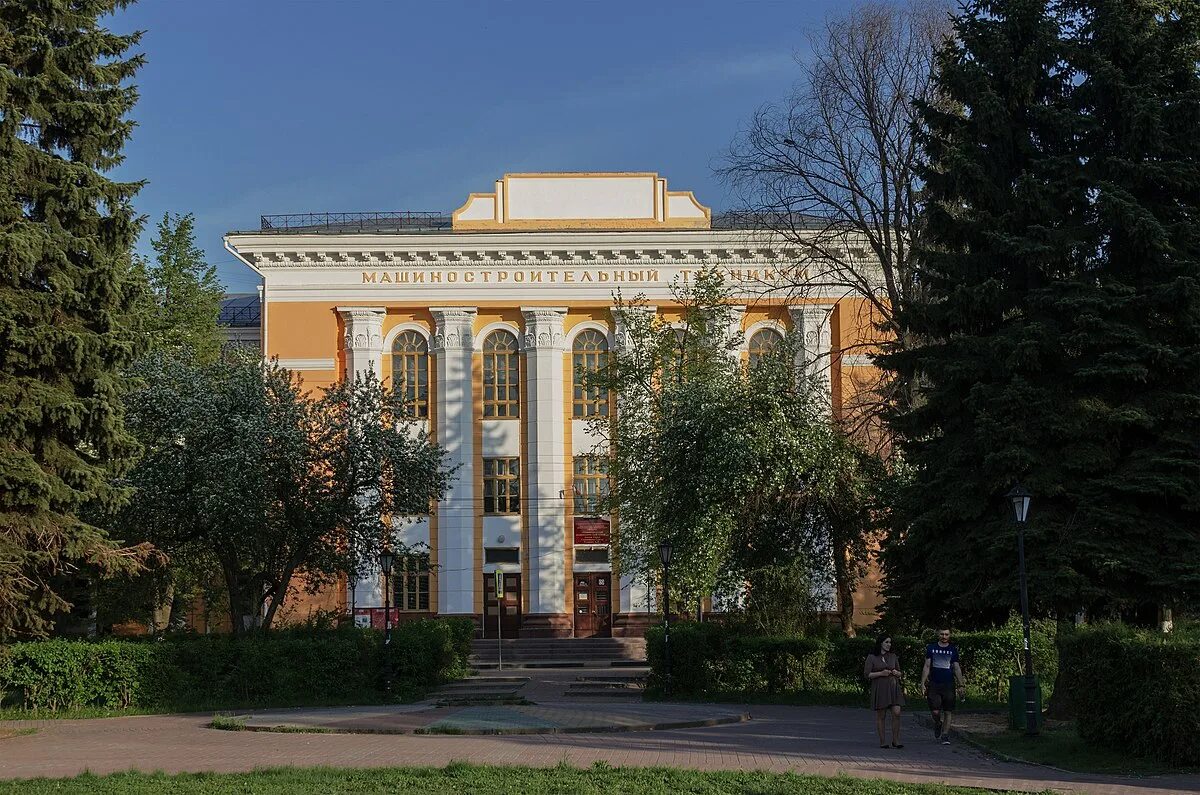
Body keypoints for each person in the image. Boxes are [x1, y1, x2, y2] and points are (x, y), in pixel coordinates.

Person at [920, 627, 965, 744]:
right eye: (942, 634)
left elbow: (956, 667)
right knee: (935, 711)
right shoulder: (931, 648)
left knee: (948, 711)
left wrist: (961, 685)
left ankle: (945, 734)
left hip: (949, 684)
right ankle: (938, 723)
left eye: (946, 634)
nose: (944, 637)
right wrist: (923, 683)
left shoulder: (953, 649)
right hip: (934, 683)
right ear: (938, 634)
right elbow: (927, 666)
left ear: (949, 635)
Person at [864, 635, 905, 748]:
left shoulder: (893, 656)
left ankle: (896, 740)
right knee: (881, 715)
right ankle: (883, 741)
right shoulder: (872, 657)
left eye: (890, 642)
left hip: (893, 687)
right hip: (880, 687)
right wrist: (881, 673)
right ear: (880, 643)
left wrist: (897, 673)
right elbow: (867, 674)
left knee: (897, 713)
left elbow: (900, 671)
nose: (889, 644)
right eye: (886, 642)